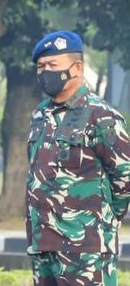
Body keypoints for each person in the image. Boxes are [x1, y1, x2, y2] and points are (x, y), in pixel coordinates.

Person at [27, 30, 130, 285]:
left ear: (78, 67)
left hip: (86, 249)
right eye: (41, 66)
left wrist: (101, 220)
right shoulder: (41, 115)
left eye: (53, 65)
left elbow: (125, 178)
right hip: (43, 244)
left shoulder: (101, 116)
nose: (45, 72)